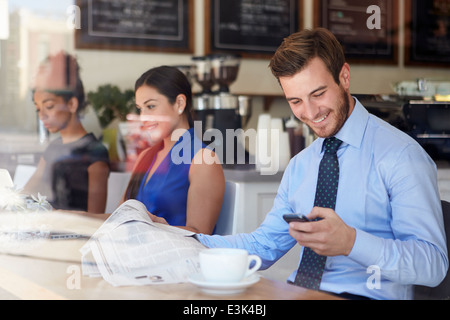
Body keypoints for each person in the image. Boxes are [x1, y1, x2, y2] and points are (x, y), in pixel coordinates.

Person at [193, 28, 449, 300]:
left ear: (344, 77)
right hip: (300, 293)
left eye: (318, 94)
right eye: (296, 101)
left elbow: (432, 265)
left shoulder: (401, 155)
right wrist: (182, 239)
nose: (311, 112)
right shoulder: (301, 164)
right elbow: (264, 244)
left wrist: (351, 242)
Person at [122, 66, 225, 235]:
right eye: (140, 108)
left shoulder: (203, 159)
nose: (143, 117)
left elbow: (200, 235)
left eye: (151, 106)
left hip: (178, 259)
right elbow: (119, 217)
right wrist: (78, 217)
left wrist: (158, 227)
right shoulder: (146, 156)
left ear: (179, 104)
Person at [25, 52, 110, 213]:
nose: (41, 115)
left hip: (77, 235)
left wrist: (58, 218)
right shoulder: (53, 148)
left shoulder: (94, 152)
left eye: (49, 106)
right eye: (38, 109)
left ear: (71, 104)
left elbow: (95, 218)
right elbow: (27, 192)